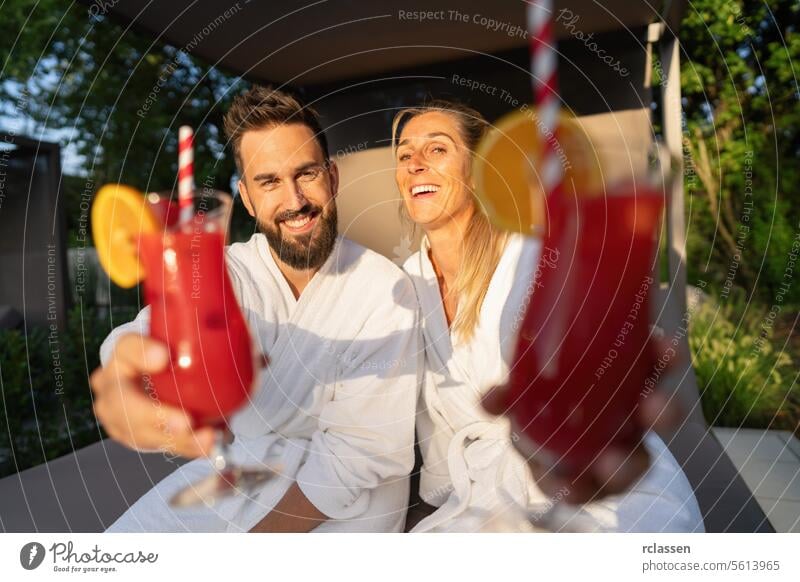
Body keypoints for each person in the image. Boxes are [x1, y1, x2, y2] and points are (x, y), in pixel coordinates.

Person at [90, 86, 420, 533]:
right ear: (245, 197)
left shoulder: (385, 289)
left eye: (307, 174)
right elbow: (156, 333)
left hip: (352, 497)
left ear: (334, 178)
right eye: (269, 182)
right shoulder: (223, 271)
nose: (295, 200)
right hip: (243, 465)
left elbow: (361, 453)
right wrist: (128, 375)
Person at [393, 100, 704, 532]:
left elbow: (580, 348)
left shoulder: (535, 255)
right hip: (483, 496)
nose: (415, 165)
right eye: (404, 155)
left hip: (589, 461)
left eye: (436, 150)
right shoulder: (407, 282)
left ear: (478, 167)